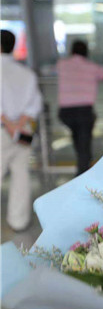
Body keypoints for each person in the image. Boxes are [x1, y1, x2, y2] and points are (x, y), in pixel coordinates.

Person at [0, 29, 43, 231]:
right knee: (21, 174)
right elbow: (35, 103)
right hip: (23, 130)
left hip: (2, 130)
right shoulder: (26, 73)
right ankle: (18, 220)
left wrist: (8, 124)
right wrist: (18, 125)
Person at [57, 40, 103, 175]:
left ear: (71, 51)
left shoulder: (62, 64)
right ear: (86, 52)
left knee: (78, 139)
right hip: (84, 111)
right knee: (84, 145)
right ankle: (82, 177)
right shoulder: (92, 67)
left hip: (65, 112)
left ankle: (82, 168)